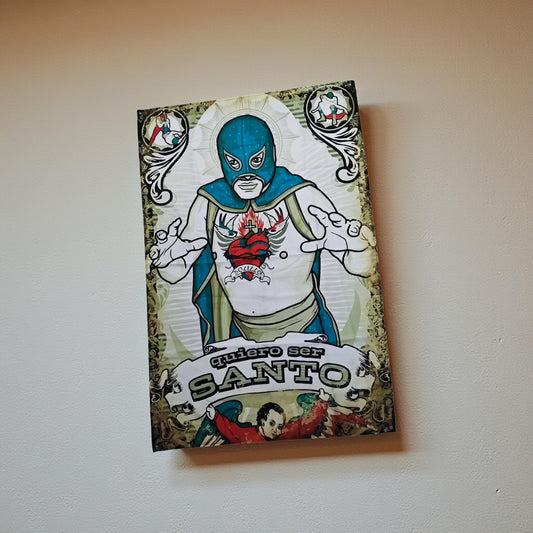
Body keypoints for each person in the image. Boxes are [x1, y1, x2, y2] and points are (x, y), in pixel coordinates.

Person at [150, 114, 375, 346]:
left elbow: (362, 267)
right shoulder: (209, 202)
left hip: (305, 326)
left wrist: (357, 248)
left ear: (272, 153)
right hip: (238, 331)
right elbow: (175, 272)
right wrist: (166, 260)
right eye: (234, 164)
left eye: (256, 160)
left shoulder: (302, 195)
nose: (246, 174)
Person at [206, 390, 331, 444]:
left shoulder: (286, 434)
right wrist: (215, 416)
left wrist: (322, 402)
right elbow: (229, 430)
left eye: (280, 426)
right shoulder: (246, 434)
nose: (276, 430)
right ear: (262, 421)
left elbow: (305, 425)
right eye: (272, 423)